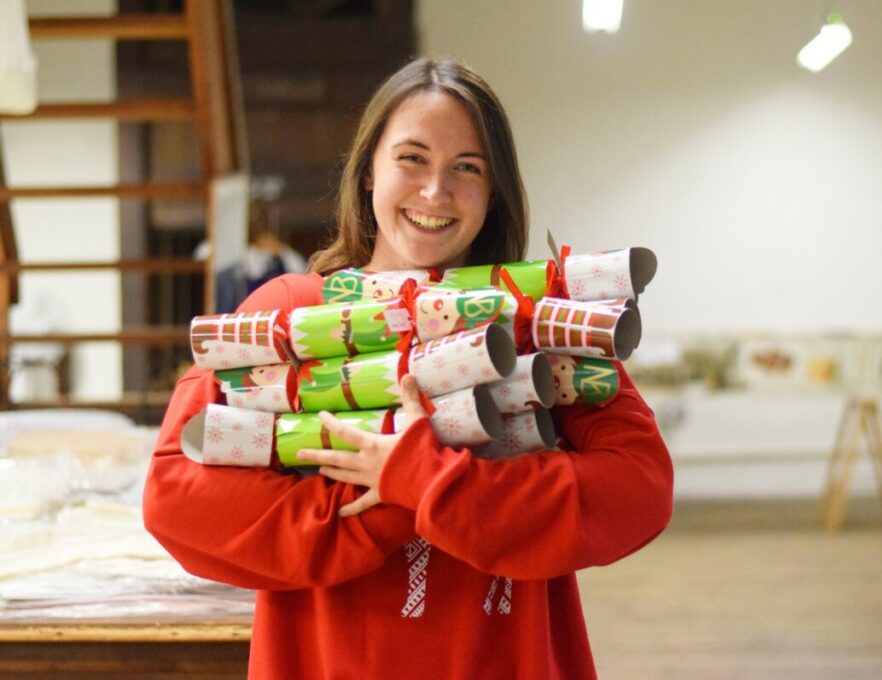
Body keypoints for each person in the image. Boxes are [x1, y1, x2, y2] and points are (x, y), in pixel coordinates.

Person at [143, 56, 674, 680]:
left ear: (494, 189)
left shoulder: (537, 322)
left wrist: (432, 483)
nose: (435, 191)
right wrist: (387, 501)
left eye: (467, 168)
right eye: (411, 158)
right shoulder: (291, 319)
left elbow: (638, 489)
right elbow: (178, 495)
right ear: (369, 169)